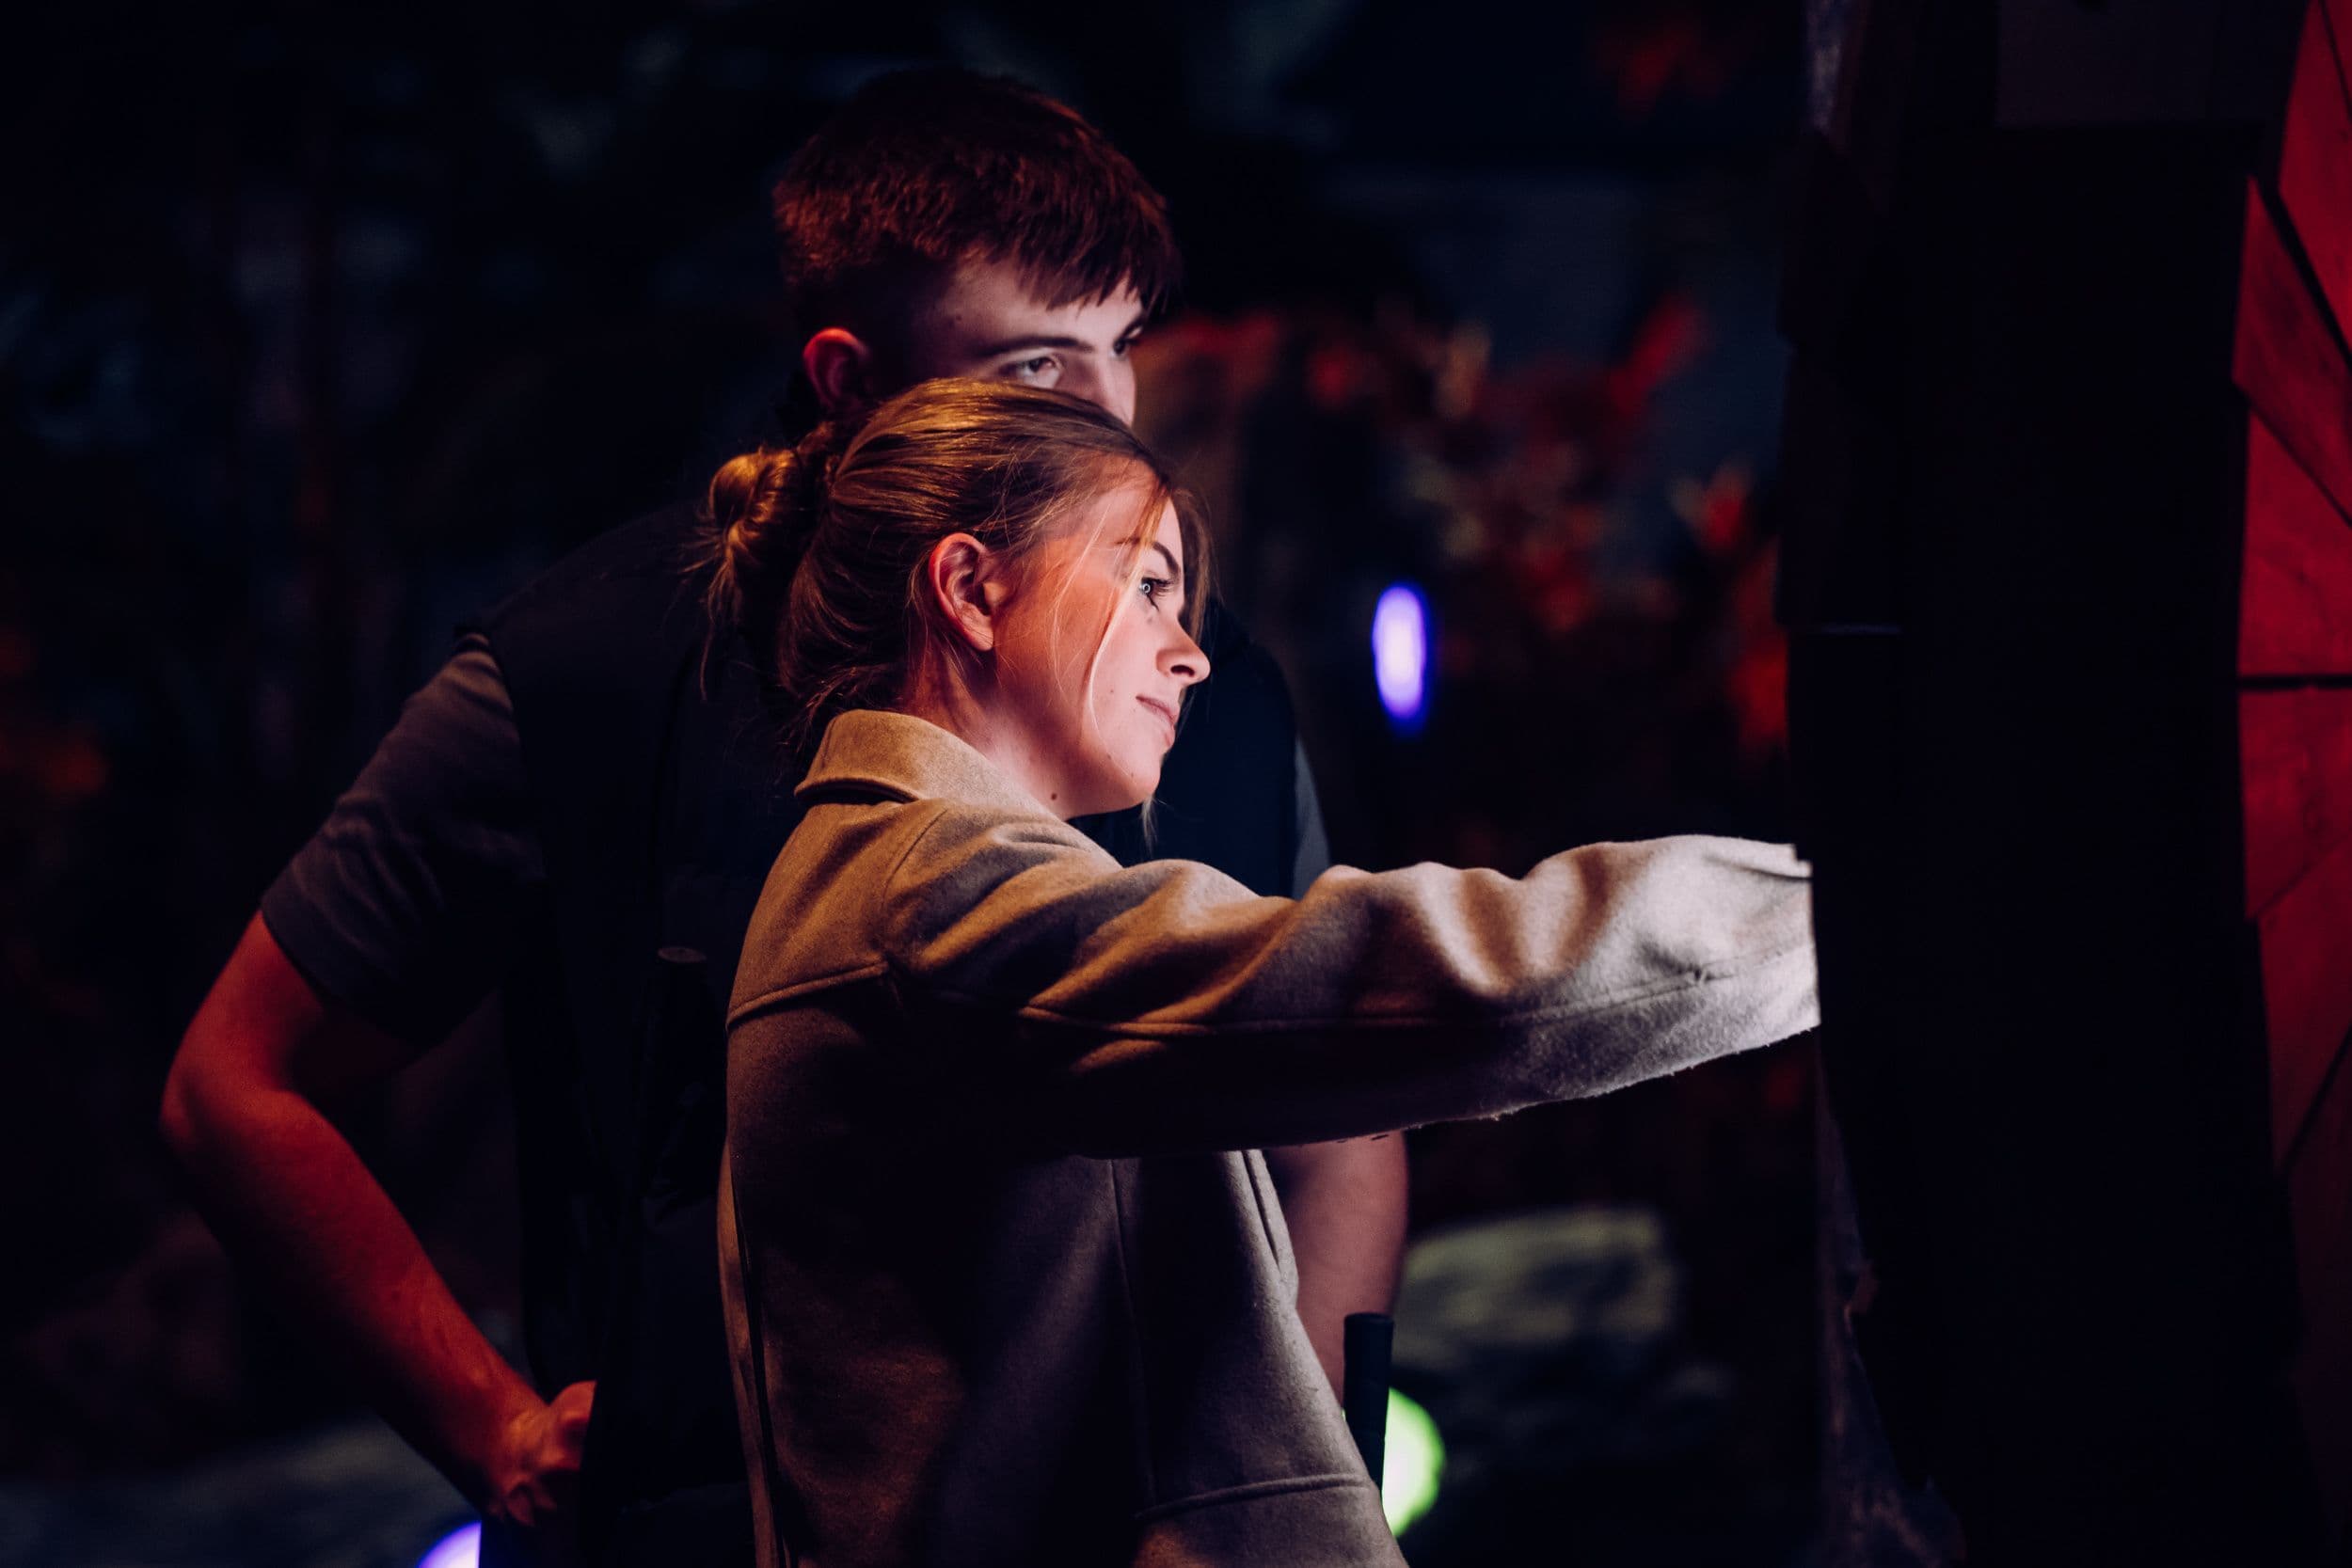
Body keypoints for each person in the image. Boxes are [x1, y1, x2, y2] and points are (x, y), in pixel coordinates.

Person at [158, 69, 1404, 1562]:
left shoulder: (1218, 680)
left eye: (1118, 347)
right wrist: (486, 1421)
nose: (1103, 416)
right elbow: (234, 1081)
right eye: (1029, 373)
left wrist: (1307, 1486)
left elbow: (1348, 1096)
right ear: (845, 375)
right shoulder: (587, 669)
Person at [710, 379, 1819, 1567]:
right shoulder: (928, 897)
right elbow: (1436, 983)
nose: (1188, 655)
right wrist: (1844, 913)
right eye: (1146, 585)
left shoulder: (871, 878)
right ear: (973, 588)